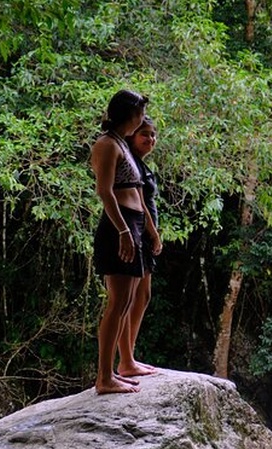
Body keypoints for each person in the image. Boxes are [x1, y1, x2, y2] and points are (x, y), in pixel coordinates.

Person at [91, 89, 156, 394]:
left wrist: (146, 230)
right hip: (119, 226)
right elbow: (105, 191)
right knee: (117, 303)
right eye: (139, 113)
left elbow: (137, 192)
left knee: (127, 301)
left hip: (133, 223)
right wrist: (123, 231)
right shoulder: (106, 144)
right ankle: (104, 377)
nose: (142, 119)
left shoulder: (121, 143)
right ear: (128, 115)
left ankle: (122, 366)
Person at [116, 116, 162, 378]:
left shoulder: (140, 164)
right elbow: (140, 202)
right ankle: (125, 360)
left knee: (142, 296)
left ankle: (129, 355)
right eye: (144, 134)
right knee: (128, 298)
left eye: (153, 135)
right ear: (131, 135)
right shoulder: (130, 163)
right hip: (137, 232)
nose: (150, 139)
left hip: (143, 235)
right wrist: (153, 234)